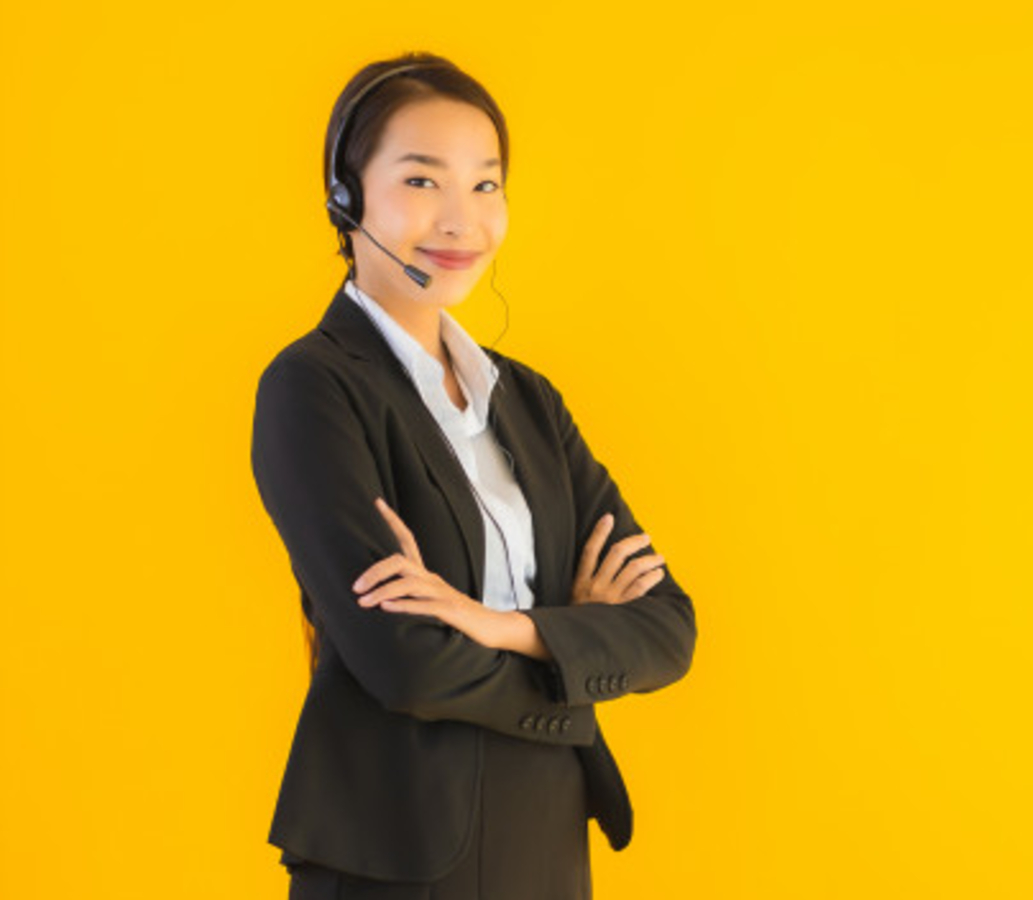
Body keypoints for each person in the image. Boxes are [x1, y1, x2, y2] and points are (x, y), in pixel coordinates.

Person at [249, 51, 698, 900]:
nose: (462, 221)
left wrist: (504, 627)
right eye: (422, 182)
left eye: (485, 186)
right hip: (393, 850)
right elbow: (403, 661)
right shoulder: (313, 388)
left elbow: (668, 626)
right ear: (347, 199)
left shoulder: (526, 398)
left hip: (545, 841)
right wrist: (570, 651)